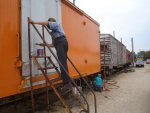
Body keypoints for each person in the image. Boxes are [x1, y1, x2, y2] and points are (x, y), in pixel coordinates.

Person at [29, 17, 71, 85]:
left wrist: (34, 22)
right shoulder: (54, 33)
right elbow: (53, 45)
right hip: (60, 43)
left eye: (49, 23)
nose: (48, 26)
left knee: (62, 62)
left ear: (52, 22)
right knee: (62, 62)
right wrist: (44, 44)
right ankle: (66, 80)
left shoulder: (56, 24)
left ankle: (67, 82)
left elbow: (47, 23)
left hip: (61, 42)